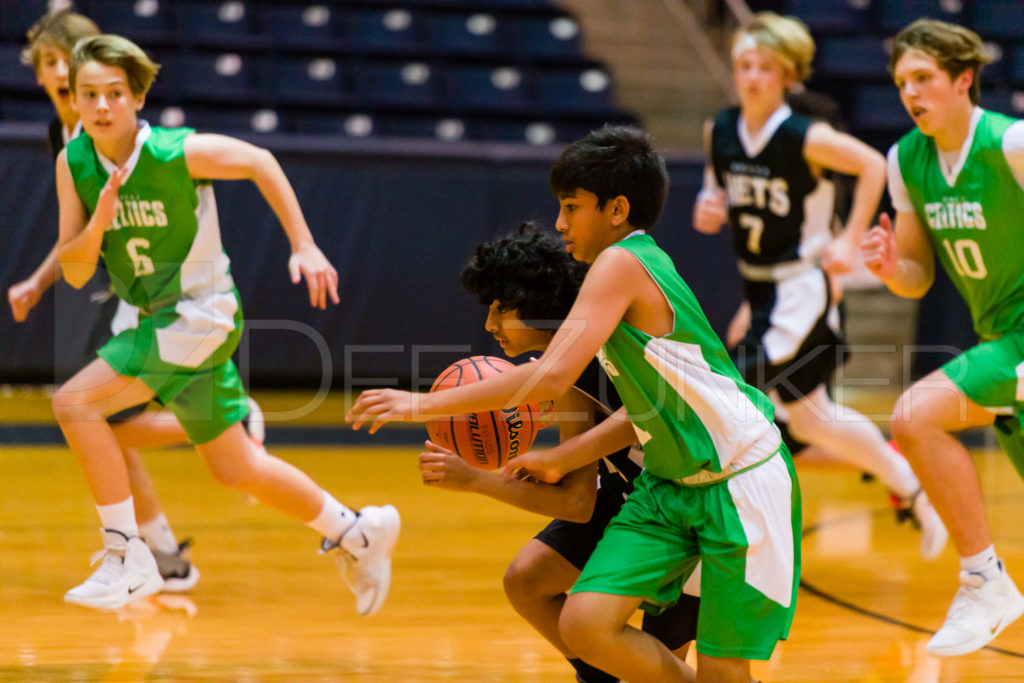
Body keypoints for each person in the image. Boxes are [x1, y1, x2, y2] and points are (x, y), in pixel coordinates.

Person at [350, 125, 798, 683]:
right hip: (670, 486)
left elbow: (550, 374)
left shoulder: (622, 263)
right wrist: (564, 455)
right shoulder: (616, 282)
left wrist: (419, 405)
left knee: (722, 669)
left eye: (571, 207)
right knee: (583, 623)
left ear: (617, 209)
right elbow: (637, 410)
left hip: (736, 478)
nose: (560, 223)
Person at [53, 34, 399, 615]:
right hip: (156, 319)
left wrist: (304, 244)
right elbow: (74, 267)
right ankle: (357, 531)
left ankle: (127, 557)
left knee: (76, 404)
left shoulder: (174, 152)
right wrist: (100, 222)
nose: (102, 106)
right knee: (237, 467)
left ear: (137, 97)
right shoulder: (74, 162)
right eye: (89, 94)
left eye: (115, 92)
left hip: (197, 313)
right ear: (77, 101)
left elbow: (260, 161)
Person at [692, 11, 947, 559]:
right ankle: (911, 485)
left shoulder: (807, 137)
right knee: (813, 417)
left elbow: (873, 165)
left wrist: (851, 239)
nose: (752, 76)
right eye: (744, 65)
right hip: (761, 289)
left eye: (764, 67)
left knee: (735, 400)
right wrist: (708, 207)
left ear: (788, 75)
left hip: (803, 288)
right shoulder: (720, 129)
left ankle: (745, 541)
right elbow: (716, 196)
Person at [419, 223, 699, 683]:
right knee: (528, 581)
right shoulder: (562, 362)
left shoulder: (609, 343)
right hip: (630, 492)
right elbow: (577, 501)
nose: (490, 324)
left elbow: (649, 409)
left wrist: (422, 409)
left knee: (659, 675)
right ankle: (601, 672)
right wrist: (477, 479)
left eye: (499, 309)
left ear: (534, 304)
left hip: (686, 498)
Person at [8, 7, 211, 591]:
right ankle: (163, 552)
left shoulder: (111, 125)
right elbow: (74, 237)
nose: (56, 74)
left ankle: (220, 427)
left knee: (99, 416)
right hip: (97, 282)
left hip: (133, 285)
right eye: (46, 63)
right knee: (100, 420)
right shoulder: (64, 137)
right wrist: (41, 280)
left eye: (61, 60)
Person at [861, 18, 1024, 656]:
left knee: (915, 416)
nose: (910, 93)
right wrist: (887, 269)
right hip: (1000, 337)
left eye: (923, 78)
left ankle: (985, 582)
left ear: (963, 80)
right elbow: (916, 276)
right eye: (902, 82)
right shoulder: (905, 160)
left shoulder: (1010, 144)